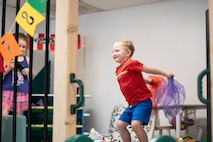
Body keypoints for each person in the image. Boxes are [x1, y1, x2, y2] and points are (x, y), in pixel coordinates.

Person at [112, 39, 174, 142]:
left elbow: (148, 69)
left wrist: (165, 73)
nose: (114, 53)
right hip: (132, 104)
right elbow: (134, 77)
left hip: (142, 101)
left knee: (135, 124)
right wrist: (149, 81)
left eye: (117, 50)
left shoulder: (131, 63)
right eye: (113, 51)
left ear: (128, 53)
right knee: (120, 125)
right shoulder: (118, 69)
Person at [2, 33, 35, 115]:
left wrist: (28, 71)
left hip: (21, 90)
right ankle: (4, 128)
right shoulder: (7, 58)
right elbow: (2, 74)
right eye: (19, 46)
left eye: (23, 47)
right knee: (4, 111)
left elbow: (33, 76)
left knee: (18, 114)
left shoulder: (27, 59)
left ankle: (16, 128)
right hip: (7, 89)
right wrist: (9, 67)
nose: (21, 48)